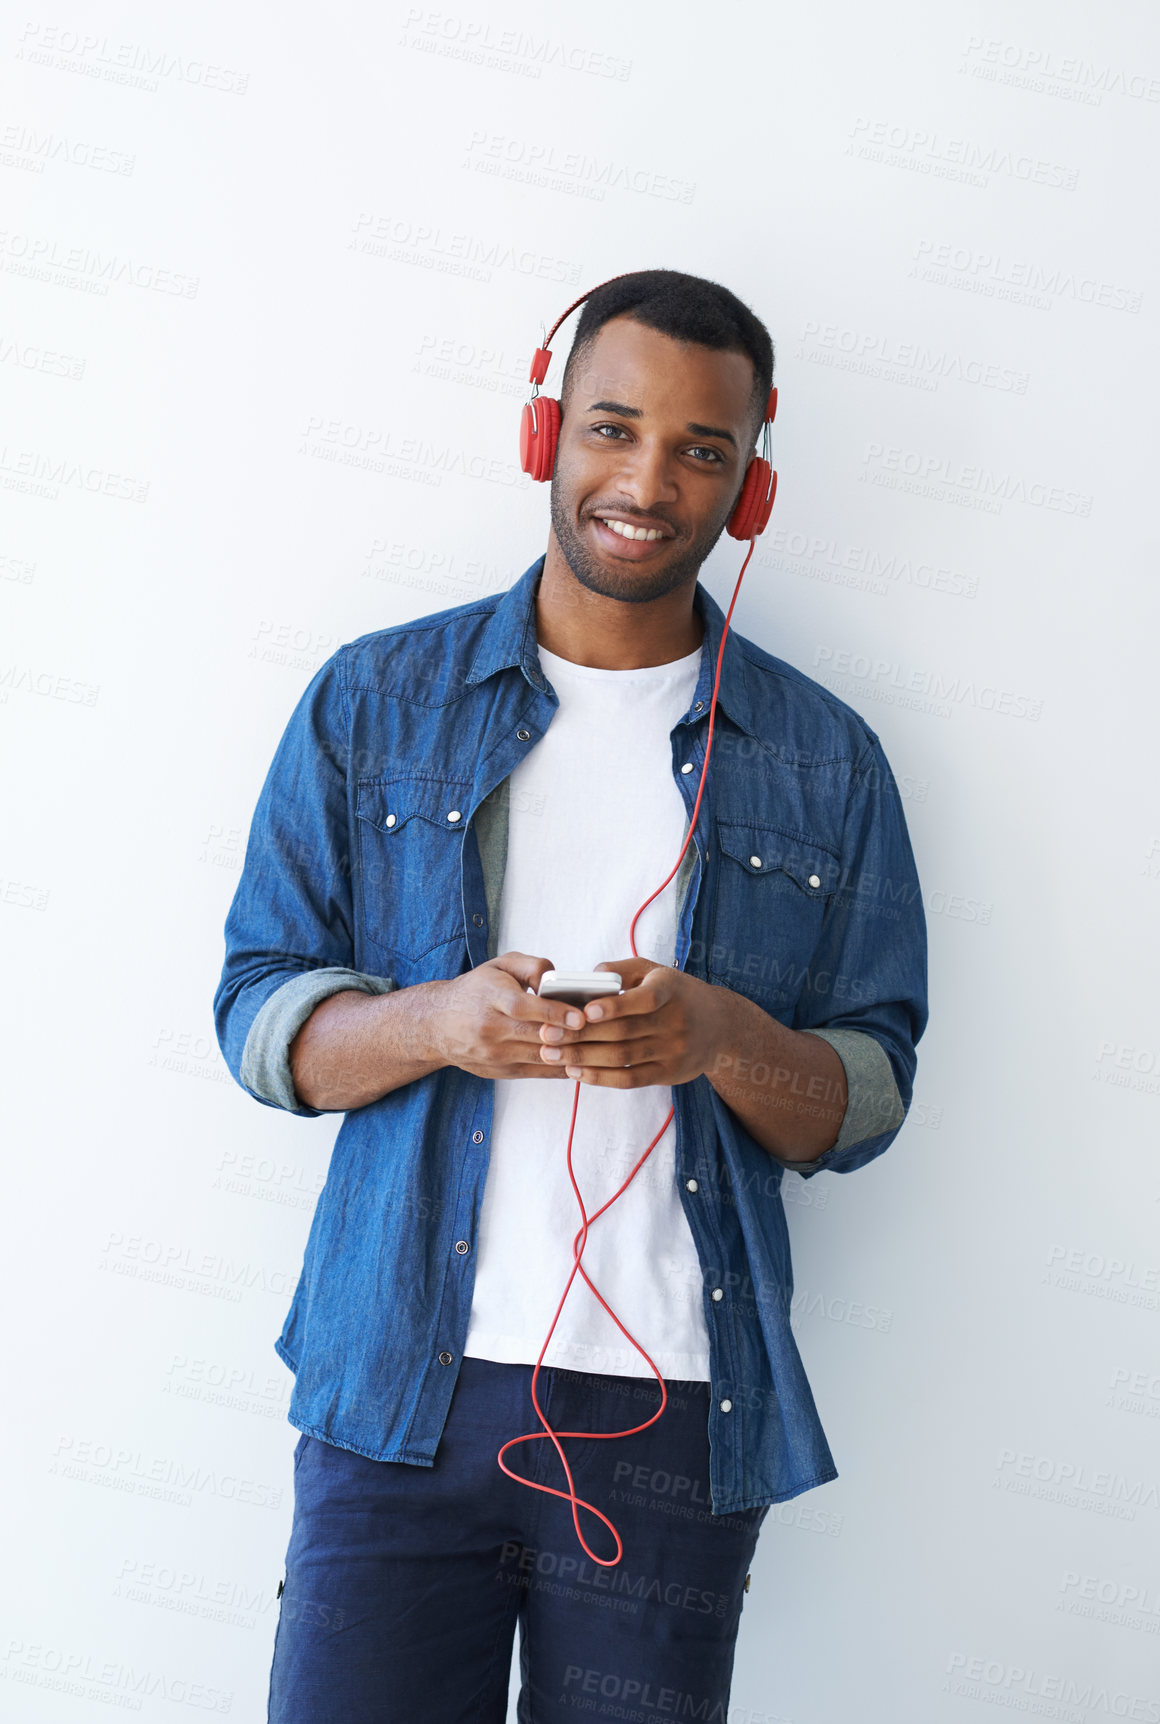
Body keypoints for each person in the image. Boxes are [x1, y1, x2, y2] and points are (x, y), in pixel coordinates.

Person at [214, 269, 928, 1722]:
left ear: (752, 484)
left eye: (701, 449)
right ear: (547, 436)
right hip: (397, 1394)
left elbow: (864, 1099)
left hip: (670, 1415)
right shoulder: (373, 700)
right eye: (614, 427)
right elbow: (258, 1017)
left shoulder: (827, 759)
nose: (649, 481)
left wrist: (721, 1038)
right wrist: (438, 1022)